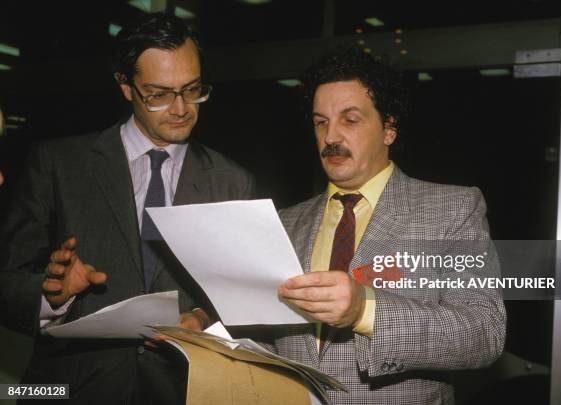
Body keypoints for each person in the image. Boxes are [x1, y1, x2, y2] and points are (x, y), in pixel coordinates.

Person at [0, 13, 254, 404]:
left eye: (193, 89)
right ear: (125, 87)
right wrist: (50, 297)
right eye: (159, 94)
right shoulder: (57, 164)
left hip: (182, 390)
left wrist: (204, 320)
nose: (181, 107)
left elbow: (244, 294)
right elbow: (7, 279)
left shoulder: (232, 182)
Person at [275, 48, 506, 404]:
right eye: (321, 122)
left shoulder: (453, 209)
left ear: (389, 129)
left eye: (350, 120)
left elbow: (483, 332)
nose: (330, 136)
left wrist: (363, 310)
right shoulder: (285, 222)